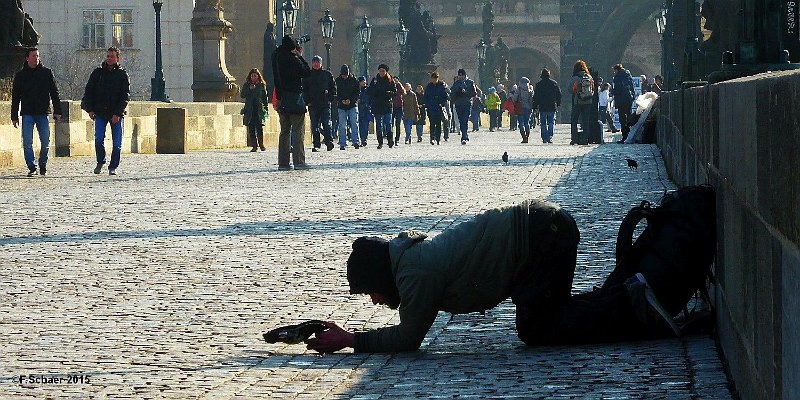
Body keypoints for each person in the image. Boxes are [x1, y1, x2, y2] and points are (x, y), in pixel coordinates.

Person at [304, 199, 582, 353]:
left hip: (541, 233)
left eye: (370, 291)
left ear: (379, 277)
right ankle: (618, 300)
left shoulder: (415, 272)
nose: (375, 300)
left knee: (539, 329)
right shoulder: (409, 259)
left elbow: (407, 339)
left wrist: (350, 339)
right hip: (543, 225)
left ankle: (622, 307)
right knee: (552, 317)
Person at [11, 47, 62, 177]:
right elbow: (16, 97)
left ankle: (43, 163)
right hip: (27, 112)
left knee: (45, 141)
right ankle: (32, 166)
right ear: (27, 58)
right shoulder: (21, 75)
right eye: (33, 56)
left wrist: (58, 110)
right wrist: (14, 116)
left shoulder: (46, 73)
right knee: (27, 142)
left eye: (37, 56)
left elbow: (54, 93)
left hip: (42, 112)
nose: (36, 59)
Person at [81, 46, 130, 176]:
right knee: (98, 139)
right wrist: (90, 109)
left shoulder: (122, 74)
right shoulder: (98, 73)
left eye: (112, 56)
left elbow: (125, 96)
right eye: (108, 56)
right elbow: (89, 91)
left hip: (116, 114)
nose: (109, 58)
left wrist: (118, 113)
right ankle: (100, 161)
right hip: (100, 112)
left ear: (117, 58)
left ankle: (113, 166)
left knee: (117, 143)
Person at [272, 35, 311, 170]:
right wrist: (299, 56)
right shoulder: (293, 60)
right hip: (294, 98)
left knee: (284, 132)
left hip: (281, 98)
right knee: (297, 131)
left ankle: (283, 163)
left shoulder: (276, 57)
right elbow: (307, 72)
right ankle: (299, 161)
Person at [303, 55, 336, 152]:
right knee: (314, 126)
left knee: (326, 123)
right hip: (312, 104)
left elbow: (333, 87)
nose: (316, 64)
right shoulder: (308, 75)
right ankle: (316, 144)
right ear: (312, 63)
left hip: (325, 103)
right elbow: (304, 89)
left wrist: (330, 97)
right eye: (314, 62)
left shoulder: (327, 74)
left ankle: (329, 142)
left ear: (321, 63)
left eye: (318, 62)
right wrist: (307, 101)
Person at [367, 64, 396, 149]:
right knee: (378, 125)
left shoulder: (390, 80)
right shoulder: (375, 80)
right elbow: (369, 91)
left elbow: (395, 92)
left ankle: (390, 140)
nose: (381, 72)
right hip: (377, 105)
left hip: (387, 104)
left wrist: (389, 93)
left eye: (383, 71)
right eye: (380, 71)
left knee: (388, 123)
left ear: (386, 71)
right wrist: (375, 92)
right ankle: (380, 142)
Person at [240, 68, 270, 152]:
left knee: (259, 127)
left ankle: (261, 145)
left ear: (258, 76)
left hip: (258, 109)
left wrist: (266, 108)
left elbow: (264, 98)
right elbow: (242, 95)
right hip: (249, 109)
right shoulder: (247, 85)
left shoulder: (261, 85)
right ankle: (254, 146)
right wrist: (249, 89)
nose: (253, 77)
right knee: (251, 128)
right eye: (252, 76)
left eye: (255, 76)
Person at [532, 67, 561, 144]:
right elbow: (559, 94)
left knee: (543, 122)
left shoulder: (539, 84)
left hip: (543, 106)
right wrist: (558, 103)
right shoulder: (554, 83)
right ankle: (549, 136)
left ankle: (544, 137)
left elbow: (536, 96)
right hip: (551, 105)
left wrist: (535, 105)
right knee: (551, 122)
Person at [335, 64, 360, 151]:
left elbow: (357, 93)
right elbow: (336, 93)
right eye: (343, 75)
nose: (344, 77)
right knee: (342, 125)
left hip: (352, 105)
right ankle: (342, 143)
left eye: (345, 75)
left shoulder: (354, 80)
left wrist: (351, 100)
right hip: (341, 106)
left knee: (354, 123)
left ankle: (356, 141)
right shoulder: (337, 81)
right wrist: (341, 100)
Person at [569, 60, 594, 146]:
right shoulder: (589, 77)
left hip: (578, 102)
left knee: (574, 120)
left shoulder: (575, 77)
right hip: (588, 102)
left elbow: (569, 89)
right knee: (585, 121)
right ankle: (585, 139)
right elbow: (593, 89)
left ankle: (574, 139)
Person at [450, 68, 477, 145]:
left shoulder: (470, 82)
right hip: (458, 104)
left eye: (462, 75)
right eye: (459, 75)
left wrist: (466, 92)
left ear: (465, 75)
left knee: (465, 120)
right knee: (461, 121)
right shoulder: (456, 83)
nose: (461, 76)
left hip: (467, 104)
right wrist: (457, 92)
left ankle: (464, 137)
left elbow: (474, 93)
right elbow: (452, 94)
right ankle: (464, 135)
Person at [611, 63, 635, 143]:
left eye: (614, 71)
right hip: (629, 99)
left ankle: (625, 136)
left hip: (621, 100)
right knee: (629, 116)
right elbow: (632, 87)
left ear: (616, 70)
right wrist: (633, 97)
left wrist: (612, 91)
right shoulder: (628, 75)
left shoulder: (618, 77)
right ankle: (630, 136)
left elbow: (618, 89)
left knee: (622, 119)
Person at [423, 72, 449, 145]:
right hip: (431, 108)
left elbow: (445, 96)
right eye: (433, 78)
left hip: (438, 107)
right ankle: (432, 138)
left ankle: (438, 139)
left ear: (438, 78)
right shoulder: (429, 86)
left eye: (435, 78)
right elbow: (426, 96)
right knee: (432, 124)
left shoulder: (441, 85)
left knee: (438, 124)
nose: (434, 80)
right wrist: (426, 105)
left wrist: (442, 103)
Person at [512, 77, 534, 143]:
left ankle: (524, 137)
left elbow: (514, 99)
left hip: (520, 108)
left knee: (521, 123)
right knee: (527, 123)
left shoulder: (518, 90)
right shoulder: (530, 91)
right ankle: (527, 136)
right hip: (528, 108)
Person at [357, 76, 371, 147]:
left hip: (366, 110)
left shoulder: (368, 90)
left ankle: (364, 139)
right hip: (358, 110)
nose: (363, 83)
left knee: (365, 126)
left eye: (364, 81)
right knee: (358, 125)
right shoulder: (357, 90)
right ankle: (360, 139)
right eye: (362, 81)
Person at [391, 76, 406, 145]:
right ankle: (390, 138)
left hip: (399, 107)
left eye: (396, 80)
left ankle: (397, 139)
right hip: (391, 107)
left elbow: (404, 92)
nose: (394, 81)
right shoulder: (390, 85)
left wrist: (398, 84)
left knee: (398, 124)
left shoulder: (399, 86)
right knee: (390, 124)